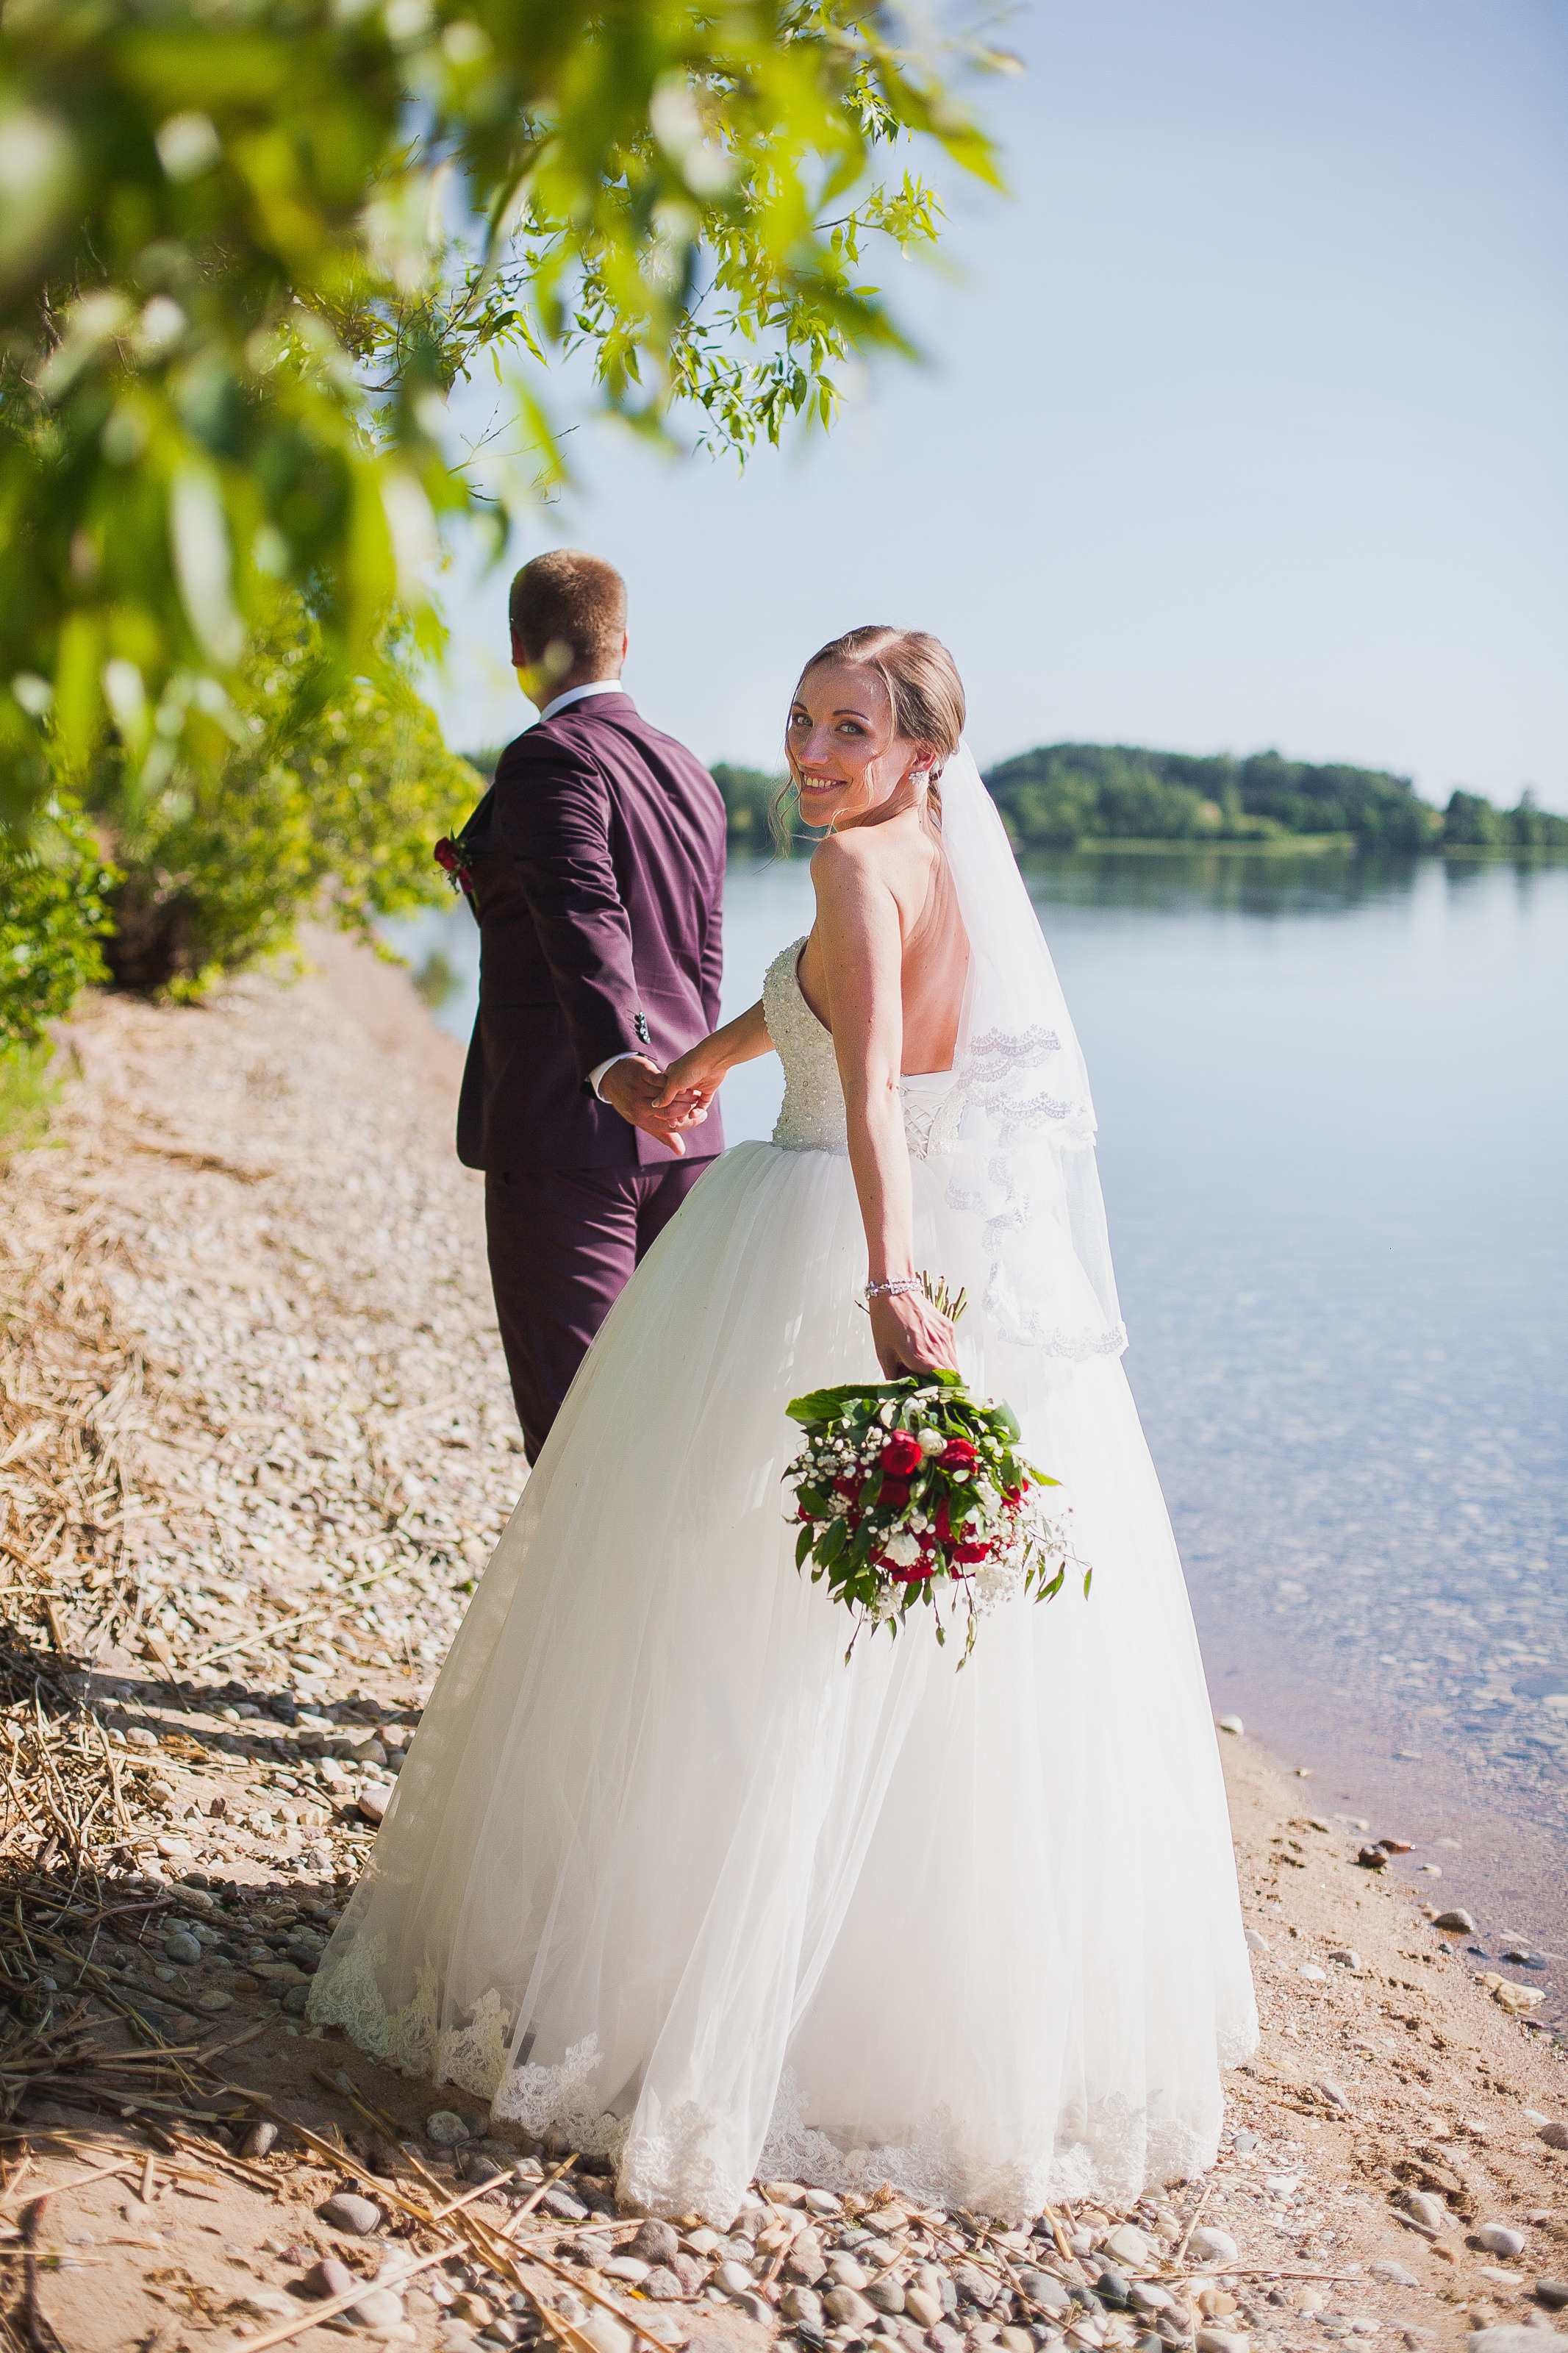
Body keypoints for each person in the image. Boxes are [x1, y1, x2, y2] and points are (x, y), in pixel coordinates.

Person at [312, 626, 1258, 2224]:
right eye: (802, 720)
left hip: (826, 1232)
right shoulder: (929, 861)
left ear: (920, 749)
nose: (811, 751)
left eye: (851, 729)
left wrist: (886, 1282)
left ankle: (713, 1989)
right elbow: (820, 1013)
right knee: (904, 1645)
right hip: (931, 1222)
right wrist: (685, 1066)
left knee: (724, 1606)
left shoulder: (849, 870)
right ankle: (912, 2004)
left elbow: (872, 1085)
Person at [448, 549, 728, 1462]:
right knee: (666, 1422)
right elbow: (701, 954)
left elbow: (584, 911)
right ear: (622, 643)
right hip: (688, 1134)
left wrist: (615, 1067)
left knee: (580, 1442)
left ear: (520, 649)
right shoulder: (688, 769)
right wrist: (687, 1073)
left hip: (573, 1133)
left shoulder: (546, 756)